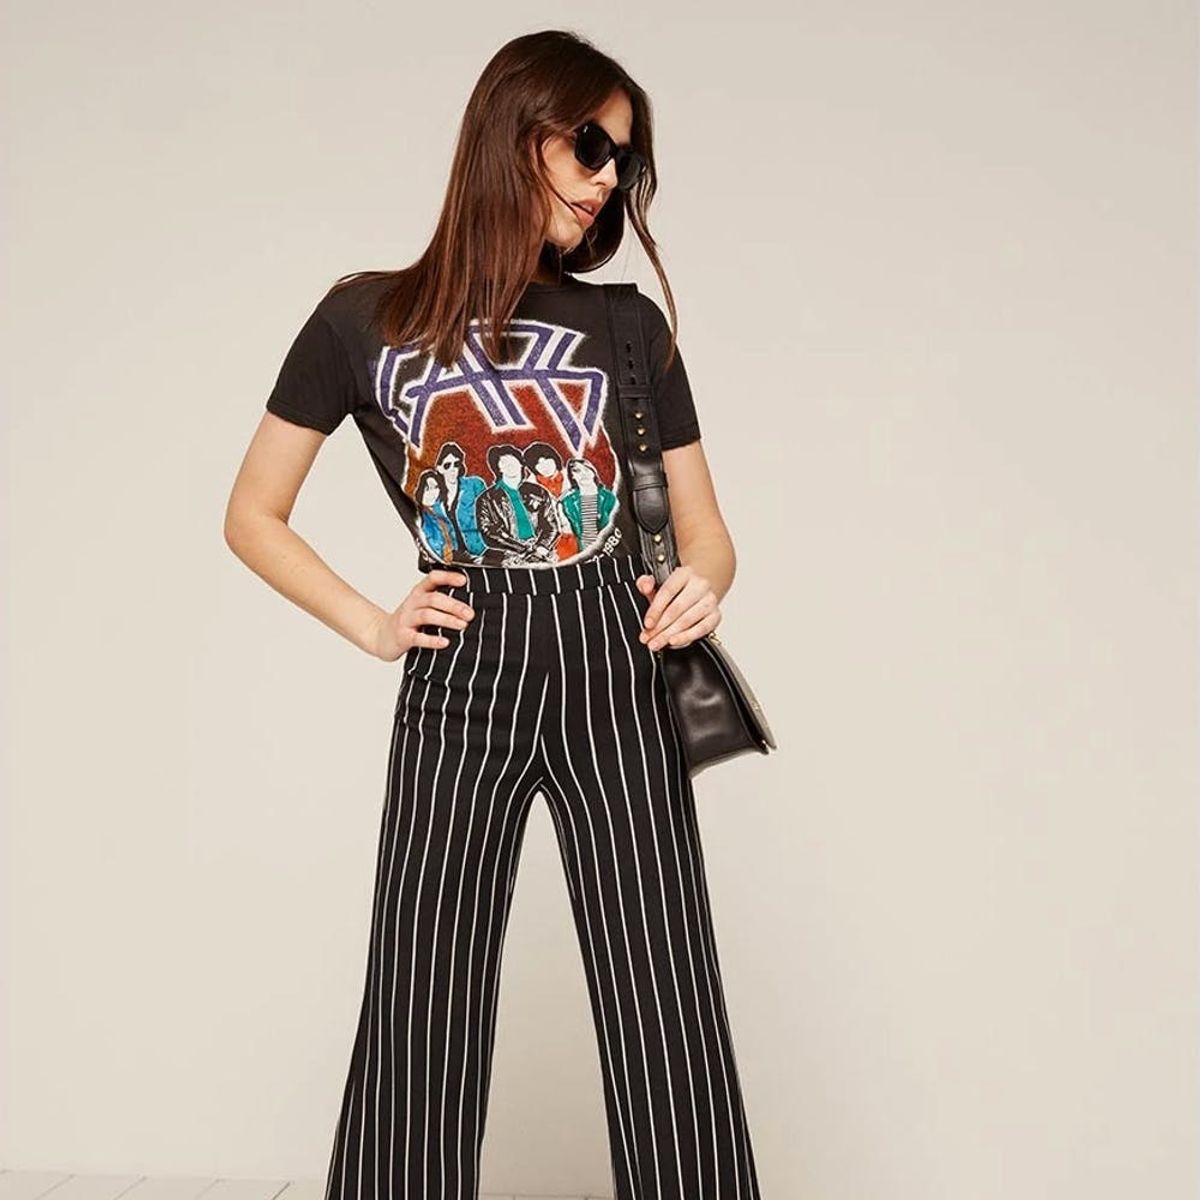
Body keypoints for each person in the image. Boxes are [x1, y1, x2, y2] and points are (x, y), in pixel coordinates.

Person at [224, 28, 764, 1200]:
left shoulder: (627, 329)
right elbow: (252, 514)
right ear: (515, 132)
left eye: (624, 158)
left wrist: (703, 582)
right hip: (462, 675)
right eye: (590, 145)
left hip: (620, 668)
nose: (609, 177)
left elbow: (707, 531)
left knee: (665, 992)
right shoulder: (361, 319)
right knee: (423, 991)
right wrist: (374, 624)